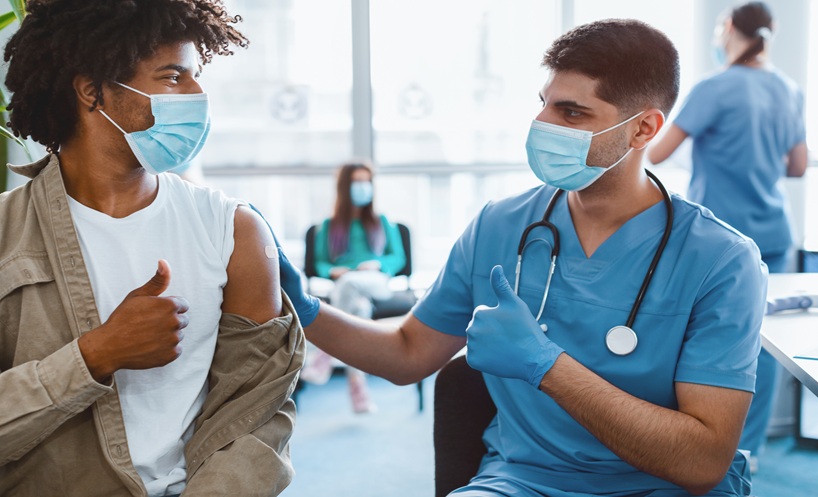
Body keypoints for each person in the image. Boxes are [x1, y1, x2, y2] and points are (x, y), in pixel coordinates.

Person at [278, 18, 768, 497]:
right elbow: (408, 354)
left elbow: (701, 463)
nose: (542, 125)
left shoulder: (722, 260)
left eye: (572, 113)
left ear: (643, 130)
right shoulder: (500, 226)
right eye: (545, 105)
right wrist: (306, 309)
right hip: (524, 481)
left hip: (662, 487)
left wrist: (545, 364)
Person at [0, 1, 304, 496]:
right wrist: (95, 355)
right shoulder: (6, 234)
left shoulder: (235, 231)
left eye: (197, 75)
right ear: (92, 90)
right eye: (172, 77)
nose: (198, 94)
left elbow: (258, 415)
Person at [648, 1, 807, 472]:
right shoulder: (789, 89)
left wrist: (713, 158)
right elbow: (797, 167)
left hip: (721, 239)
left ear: (731, 29)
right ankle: (746, 451)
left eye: (720, 28)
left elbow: (656, 153)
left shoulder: (715, 88)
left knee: (700, 339)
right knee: (764, 343)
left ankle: (698, 444)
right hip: (776, 231)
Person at [300, 161, 407, 414]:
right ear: (344, 187)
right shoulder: (328, 226)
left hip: (377, 281)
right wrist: (332, 270)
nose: (362, 187)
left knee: (350, 285)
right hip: (347, 287)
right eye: (356, 182)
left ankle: (326, 352)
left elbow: (398, 258)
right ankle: (358, 389)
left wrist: (376, 264)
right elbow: (321, 262)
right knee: (357, 305)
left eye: (366, 182)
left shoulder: (382, 222)